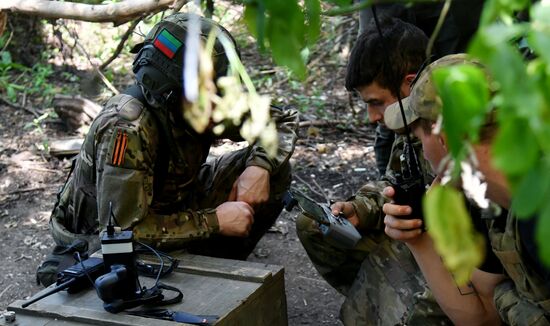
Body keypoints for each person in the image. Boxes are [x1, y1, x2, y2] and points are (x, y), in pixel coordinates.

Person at [46, 13, 298, 269]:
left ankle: (217, 265)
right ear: (173, 93)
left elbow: (280, 121)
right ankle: (200, 269)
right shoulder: (127, 128)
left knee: (276, 169)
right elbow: (119, 234)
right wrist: (214, 222)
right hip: (105, 237)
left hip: (172, 203)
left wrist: (260, 168)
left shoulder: (202, 103)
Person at [296, 17, 451, 325]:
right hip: (422, 238)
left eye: (376, 102)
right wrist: (361, 209)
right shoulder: (408, 128)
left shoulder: (449, 129)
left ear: (410, 83)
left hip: (463, 259)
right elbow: (395, 183)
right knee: (316, 226)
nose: (371, 117)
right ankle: (380, 307)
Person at [382, 53, 550, 325]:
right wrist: (417, 238)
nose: (423, 153)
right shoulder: (499, 202)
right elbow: (482, 315)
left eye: (419, 137)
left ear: (445, 138)